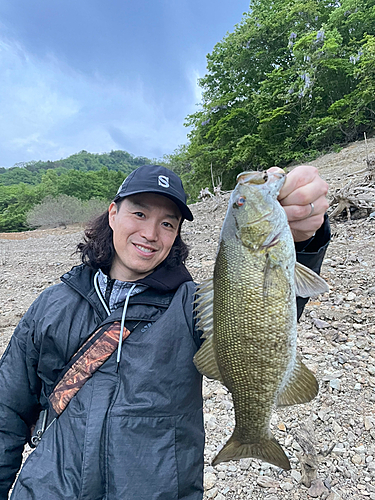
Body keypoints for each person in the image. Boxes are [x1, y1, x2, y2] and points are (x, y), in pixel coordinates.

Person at [0, 164, 330, 500]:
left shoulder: (191, 306)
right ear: (113, 214)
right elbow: (6, 410)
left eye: (167, 223)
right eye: (139, 213)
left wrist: (305, 238)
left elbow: (261, 322)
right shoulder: (51, 304)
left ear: (176, 235)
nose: (150, 233)